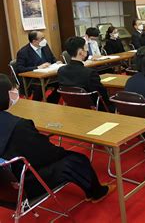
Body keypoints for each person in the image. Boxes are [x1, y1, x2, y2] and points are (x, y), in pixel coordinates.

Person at [0, 74, 115, 202]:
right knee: (77, 160)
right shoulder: (19, 126)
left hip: (4, 186)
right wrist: (59, 151)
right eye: (12, 90)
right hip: (24, 184)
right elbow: (47, 154)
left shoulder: (14, 124)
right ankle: (97, 193)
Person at [58, 36, 113, 112]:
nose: (87, 50)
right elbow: (102, 95)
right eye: (86, 48)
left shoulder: (61, 71)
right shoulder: (90, 73)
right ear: (81, 52)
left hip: (72, 108)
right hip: (94, 109)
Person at [16, 31, 61, 103]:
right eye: (42, 38)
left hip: (48, 75)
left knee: (61, 82)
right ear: (34, 41)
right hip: (32, 79)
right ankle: (36, 105)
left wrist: (56, 63)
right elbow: (20, 69)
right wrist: (37, 67)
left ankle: (51, 102)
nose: (45, 40)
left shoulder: (45, 46)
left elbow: (52, 59)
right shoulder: (23, 52)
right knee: (39, 87)